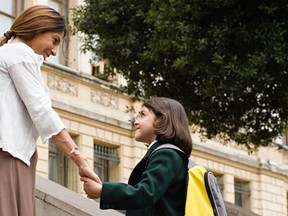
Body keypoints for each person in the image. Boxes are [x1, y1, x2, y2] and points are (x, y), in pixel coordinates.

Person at [0, 5, 101, 216]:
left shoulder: (10, 54)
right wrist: (80, 160)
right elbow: (42, 112)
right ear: (38, 27)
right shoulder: (20, 53)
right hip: (8, 156)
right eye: (54, 40)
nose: (54, 51)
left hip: (13, 154)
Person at [81, 97, 193, 215]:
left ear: (161, 120)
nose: (136, 122)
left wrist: (102, 191)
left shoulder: (167, 154)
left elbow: (145, 193)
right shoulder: (163, 153)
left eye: (142, 115)